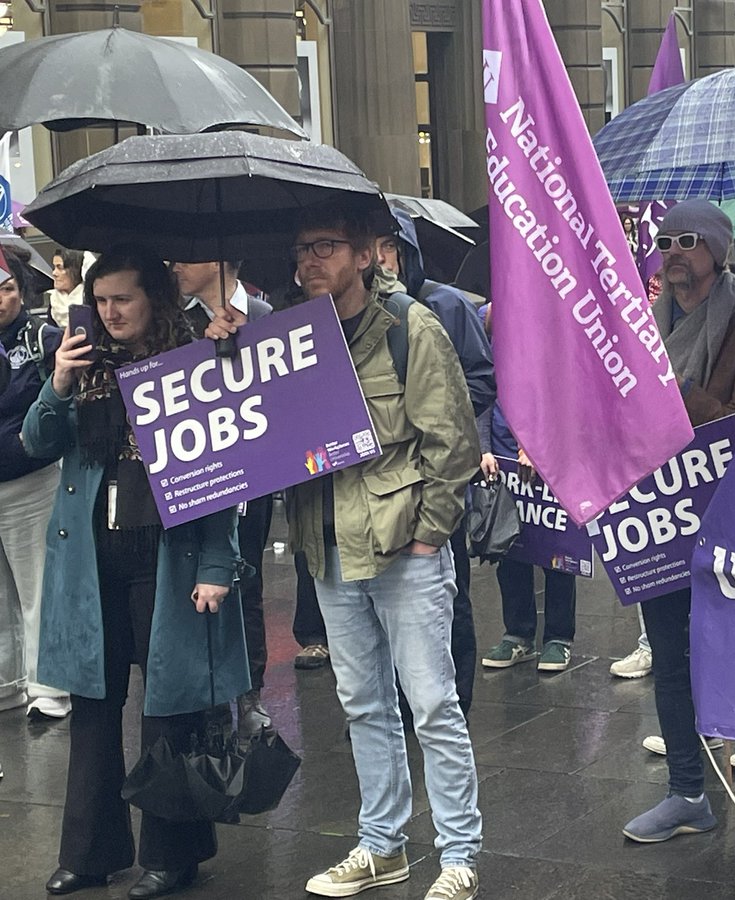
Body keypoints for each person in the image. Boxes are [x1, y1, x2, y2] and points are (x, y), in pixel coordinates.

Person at [210, 200, 483, 900]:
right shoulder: (284, 336)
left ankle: (459, 854)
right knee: (363, 705)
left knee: (432, 705)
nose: (310, 260)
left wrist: (429, 534)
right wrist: (228, 353)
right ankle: (382, 845)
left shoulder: (409, 328)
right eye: (302, 249)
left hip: (403, 548)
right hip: (328, 552)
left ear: (366, 255)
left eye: (326, 246)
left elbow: (452, 442)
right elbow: (254, 429)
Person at [23, 244, 249, 899]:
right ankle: (90, 853)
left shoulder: (194, 359)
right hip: (92, 557)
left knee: (168, 705)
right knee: (94, 705)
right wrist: (59, 383)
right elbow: (37, 441)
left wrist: (218, 563)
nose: (110, 312)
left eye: (123, 298)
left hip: (168, 557)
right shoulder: (81, 360)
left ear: (155, 297)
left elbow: (224, 471)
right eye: (100, 300)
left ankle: (172, 854)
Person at [620, 200, 735, 860]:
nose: (672, 252)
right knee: (671, 662)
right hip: (661, 525)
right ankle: (687, 792)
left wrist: (673, 389)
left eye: (687, 240)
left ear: (718, 254)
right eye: (664, 240)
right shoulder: (641, 328)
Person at [381, 210, 496, 717]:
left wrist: (431, 414)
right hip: (377, 488)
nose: (378, 260)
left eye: (387, 247)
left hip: (435, 479)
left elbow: (482, 379)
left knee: (448, 593)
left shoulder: (444, 304)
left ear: (404, 253)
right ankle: (397, 701)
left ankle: (455, 697)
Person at [173, 259, 275, 737]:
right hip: (201, 472)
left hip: (255, 471)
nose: (176, 266)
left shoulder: (265, 314)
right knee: (201, 582)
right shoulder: (177, 322)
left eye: (187, 258)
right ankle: (212, 700)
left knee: (248, 580)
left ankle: (251, 693)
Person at [475, 303, 578, 672]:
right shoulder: (488, 319)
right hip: (502, 456)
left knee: (557, 548)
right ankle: (518, 633)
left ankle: (559, 637)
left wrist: (537, 447)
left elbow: (565, 396)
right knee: (508, 546)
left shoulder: (556, 325)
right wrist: (483, 448)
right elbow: (482, 389)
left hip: (549, 456)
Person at [0, 250, 72, 721]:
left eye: (6, 289)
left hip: (31, 480)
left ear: (22, 292)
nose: (0, 299)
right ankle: (6, 683)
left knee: (39, 587)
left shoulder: (44, 338)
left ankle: (50, 686)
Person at [46, 248, 85, 327]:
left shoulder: (88, 299)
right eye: (54, 267)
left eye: (60, 268)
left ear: (74, 270)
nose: (54, 273)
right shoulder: (54, 301)